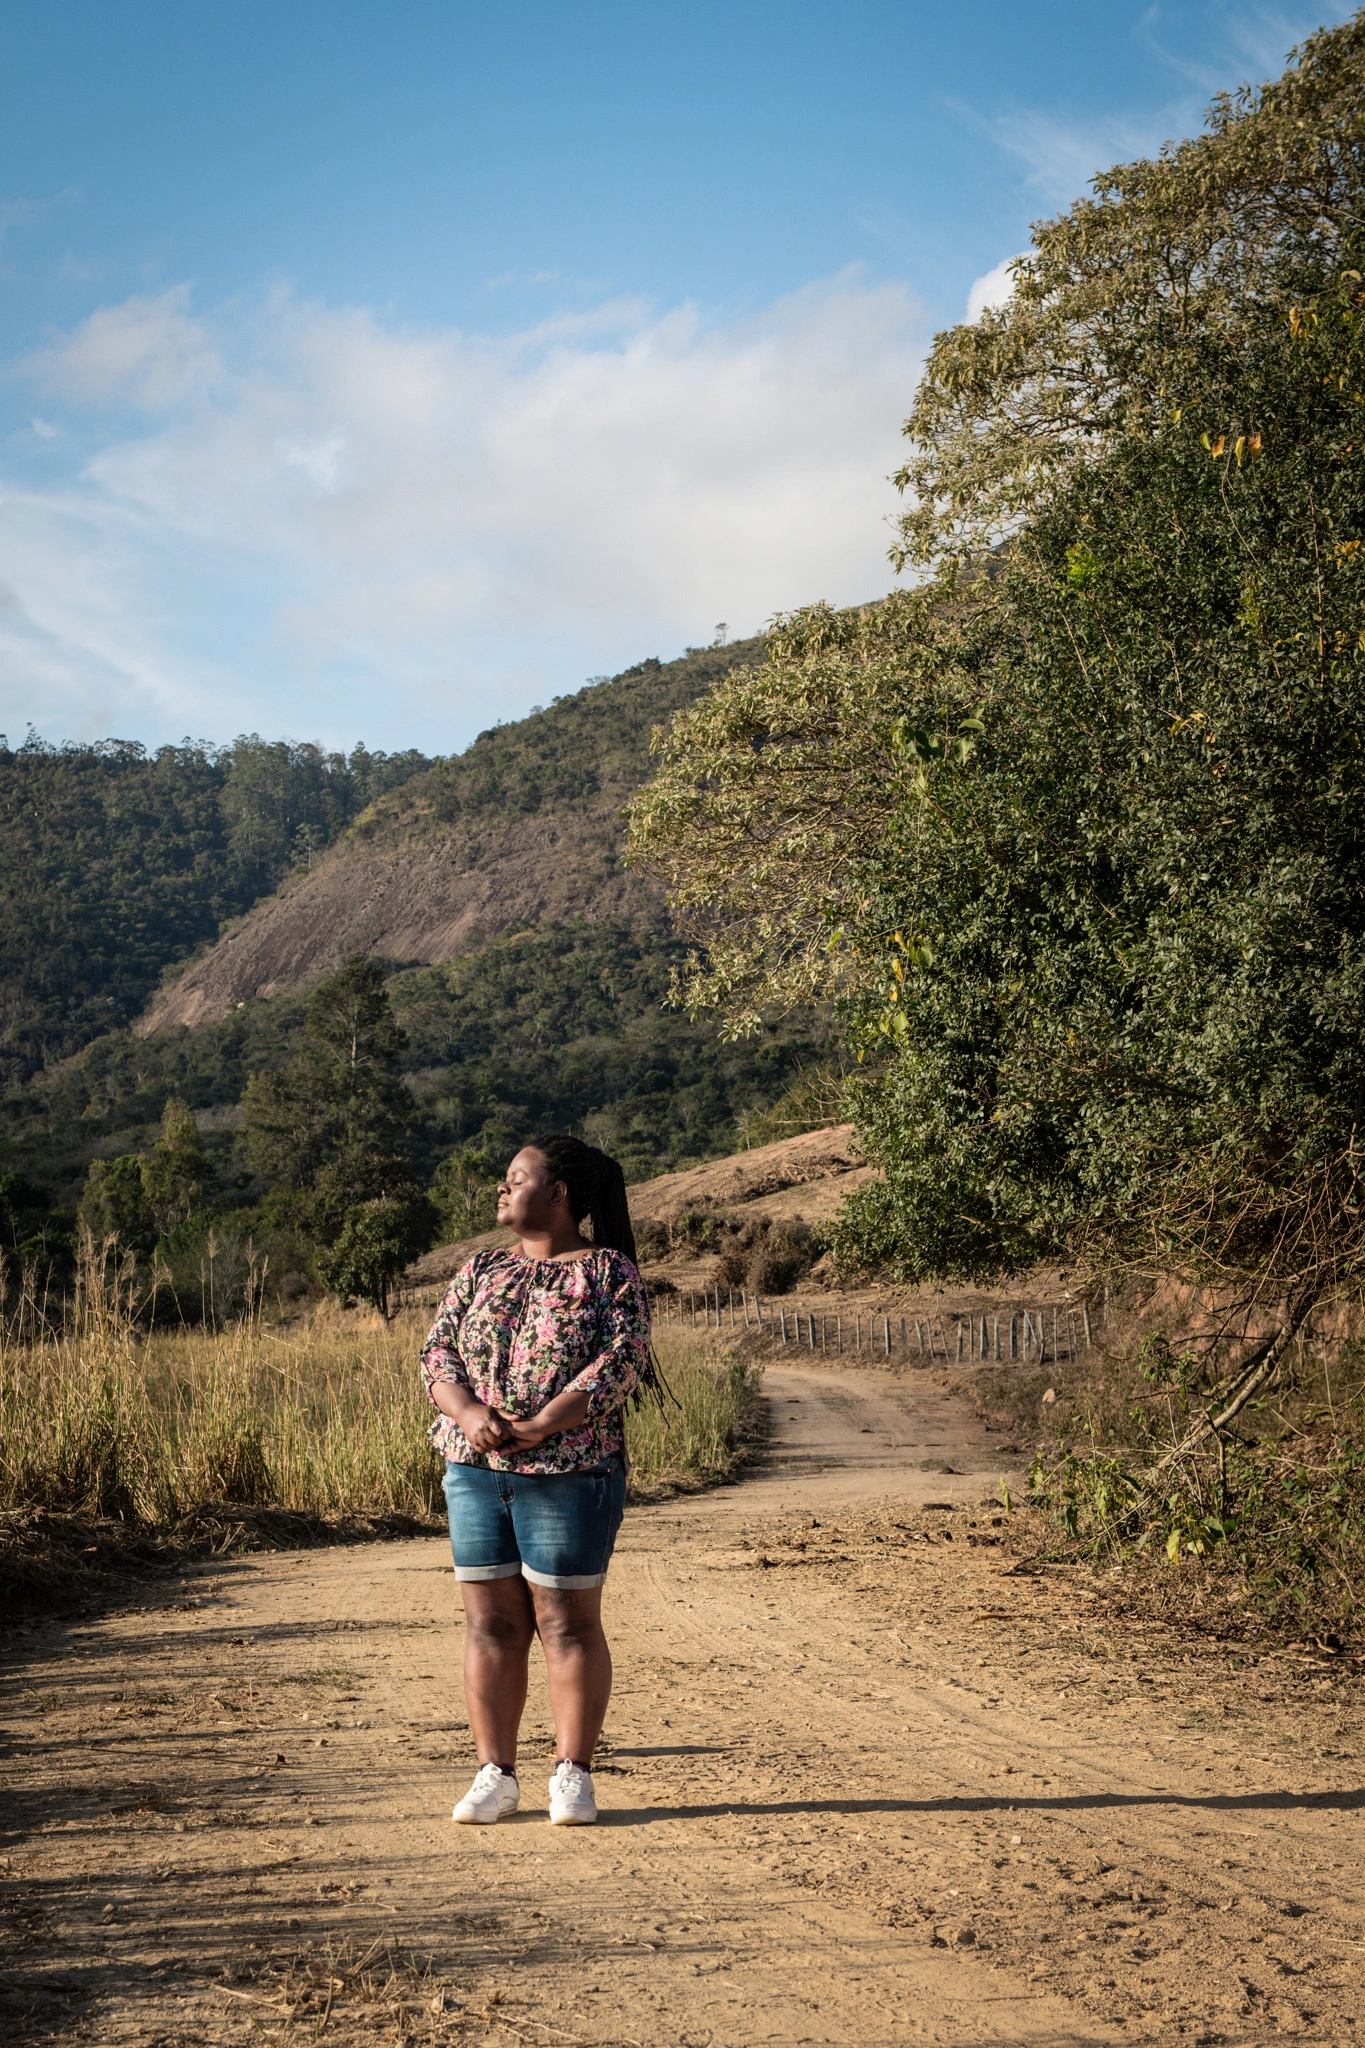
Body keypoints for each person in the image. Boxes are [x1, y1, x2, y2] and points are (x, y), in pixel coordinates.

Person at [420, 1133, 656, 1827]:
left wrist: (547, 1422)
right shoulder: (480, 1268)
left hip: (571, 1471)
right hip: (472, 1469)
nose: (501, 1188)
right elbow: (437, 1348)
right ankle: (494, 1773)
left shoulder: (609, 1272)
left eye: (515, 1177)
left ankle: (572, 1775)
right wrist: (466, 1411)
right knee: (489, 1624)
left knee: (567, 1624)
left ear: (556, 1194)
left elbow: (621, 1360)